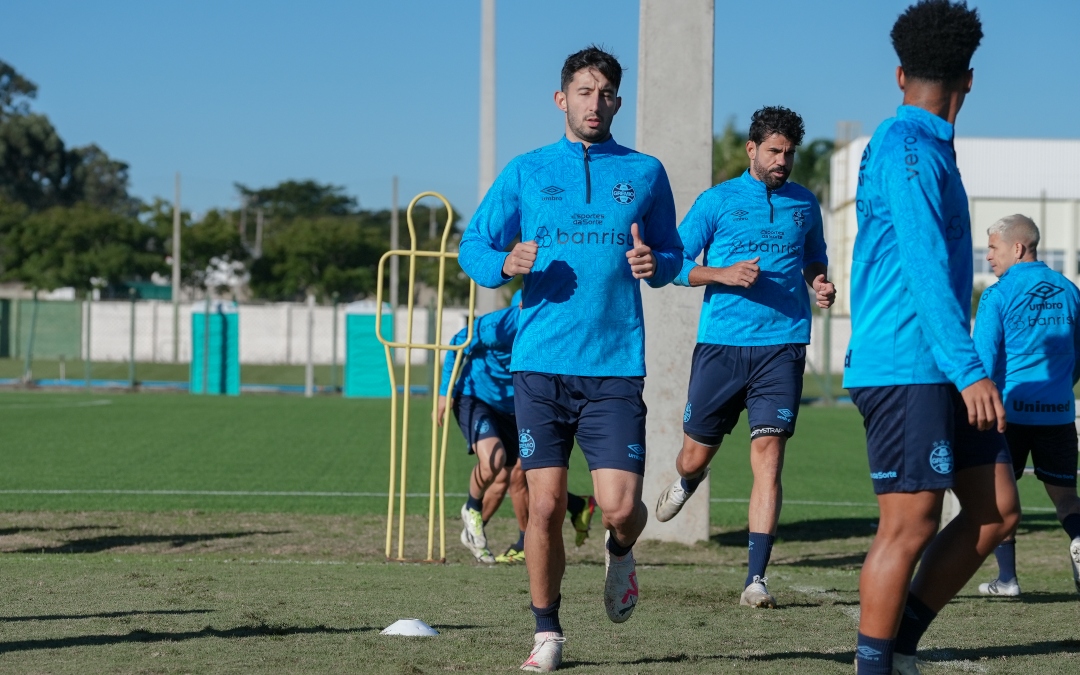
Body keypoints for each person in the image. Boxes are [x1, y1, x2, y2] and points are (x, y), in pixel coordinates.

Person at [458, 45, 682, 672]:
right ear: (562, 99)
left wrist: (655, 265)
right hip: (540, 366)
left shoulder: (644, 172)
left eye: (606, 91)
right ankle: (548, 633)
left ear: (618, 100)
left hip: (614, 365)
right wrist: (504, 264)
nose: (595, 101)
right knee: (547, 504)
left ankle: (620, 549)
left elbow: (672, 253)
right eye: (583, 91)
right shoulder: (528, 171)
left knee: (617, 505)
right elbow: (473, 244)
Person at [842, 2, 1021, 673]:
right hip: (906, 361)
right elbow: (920, 266)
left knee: (996, 509)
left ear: (899, 74)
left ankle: (899, 645)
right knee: (910, 523)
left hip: (944, 361)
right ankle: (874, 664)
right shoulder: (908, 148)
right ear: (969, 81)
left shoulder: (930, 148)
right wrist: (968, 367)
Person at [652, 105, 834, 609]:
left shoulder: (804, 204)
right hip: (723, 346)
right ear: (752, 149)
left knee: (769, 459)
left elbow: (814, 256)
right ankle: (690, 478)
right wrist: (723, 274)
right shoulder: (717, 201)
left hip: (783, 345)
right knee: (693, 455)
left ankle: (756, 579)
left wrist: (818, 282)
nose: (783, 161)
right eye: (774, 151)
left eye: (789, 153)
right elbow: (673, 264)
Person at [437, 291, 597, 565]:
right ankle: (476, 513)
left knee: (516, 475)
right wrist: (444, 393)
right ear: (523, 308)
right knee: (497, 463)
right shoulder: (501, 326)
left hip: (517, 406)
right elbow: (457, 341)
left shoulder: (552, 332)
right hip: (477, 397)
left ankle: (500, 535)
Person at [971, 214, 1080, 596]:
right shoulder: (1070, 290)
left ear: (1017, 248)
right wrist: (1061, 389)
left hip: (1009, 414)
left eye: (992, 248)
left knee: (1003, 498)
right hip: (1060, 413)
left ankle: (1007, 579)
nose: (987, 257)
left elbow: (982, 363)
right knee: (1066, 497)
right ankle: (1079, 540)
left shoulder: (998, 295)